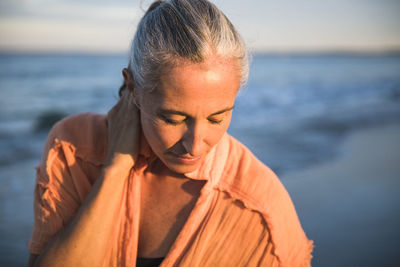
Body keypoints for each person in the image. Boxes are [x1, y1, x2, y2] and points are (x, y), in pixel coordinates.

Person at [27, 0, 313, 266]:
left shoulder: (259, 208)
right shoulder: (75, 147)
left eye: (218, 117)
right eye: (173, 118)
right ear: (133, 89)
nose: (195, 146)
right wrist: (115, 169)